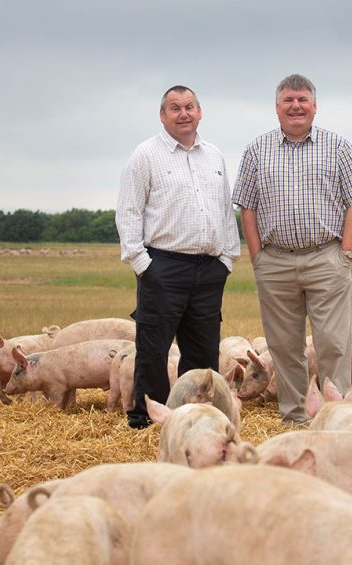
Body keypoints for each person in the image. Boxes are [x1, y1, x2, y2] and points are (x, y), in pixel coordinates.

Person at [232, 74, 352, 425]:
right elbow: (246, 207)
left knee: (332, 343)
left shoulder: (338, 147)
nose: (296, 106)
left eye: (303, 100)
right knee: (283, 345)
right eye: (288, 100)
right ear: (277, 107)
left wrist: (346, 254)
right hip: (275, 261)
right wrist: (257, 257)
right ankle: (295, 416)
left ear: (314, 106)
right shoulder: (256, 150)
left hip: (326, 257)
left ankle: (335, 417)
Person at [116, 85, 241, 429]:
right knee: (154, 349)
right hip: (163, 266)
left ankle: (197, 417)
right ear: (163, 115)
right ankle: (147, 419)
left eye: (189, 106)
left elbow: (225, 210)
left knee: (203, 352)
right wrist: (143, 265)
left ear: (200, 112)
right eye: (175, 108)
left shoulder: (214, 156)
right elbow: (128, 211)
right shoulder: (145, 155)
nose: (183, 113)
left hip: (209, 268)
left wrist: (227, 259)